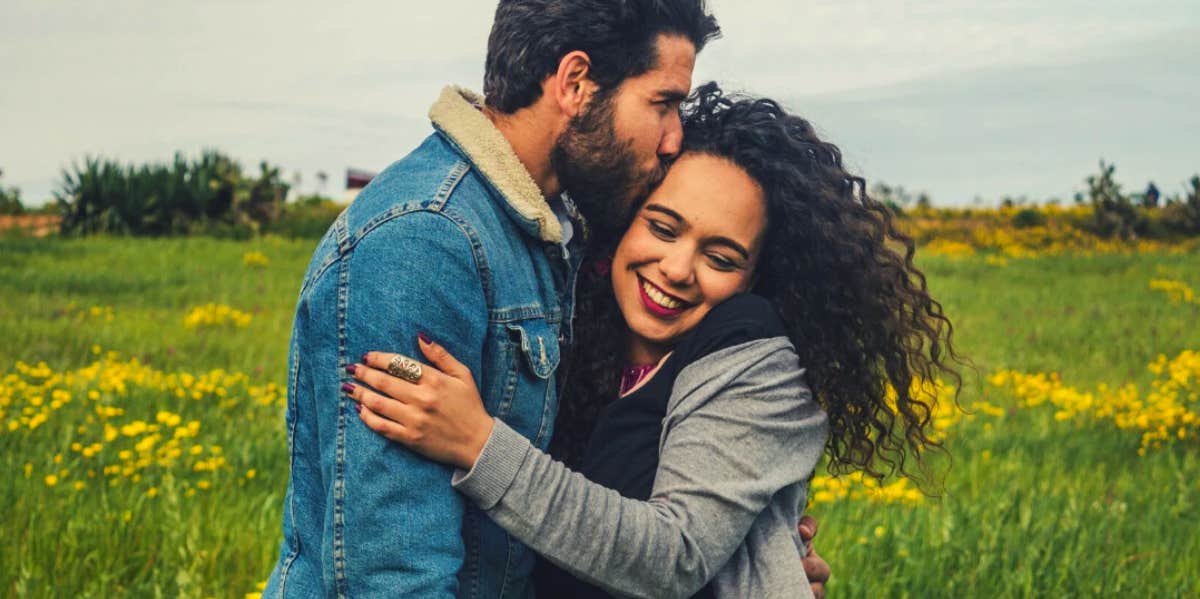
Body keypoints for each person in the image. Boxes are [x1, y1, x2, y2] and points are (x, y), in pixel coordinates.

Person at [264, 1, 829, 597]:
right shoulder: (425, 242)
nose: (673, 139)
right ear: (575, 83)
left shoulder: (553, 237)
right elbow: (394, 573)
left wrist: (753, 565)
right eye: (663, 103)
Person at [345, 84, 961, 597]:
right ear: (623, 222)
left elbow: (674, 553)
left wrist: (477, 443)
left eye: (720, 256)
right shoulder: (573, 333)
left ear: (756, 279)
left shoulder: (760, 361)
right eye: (662, 227)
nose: (675, 268)